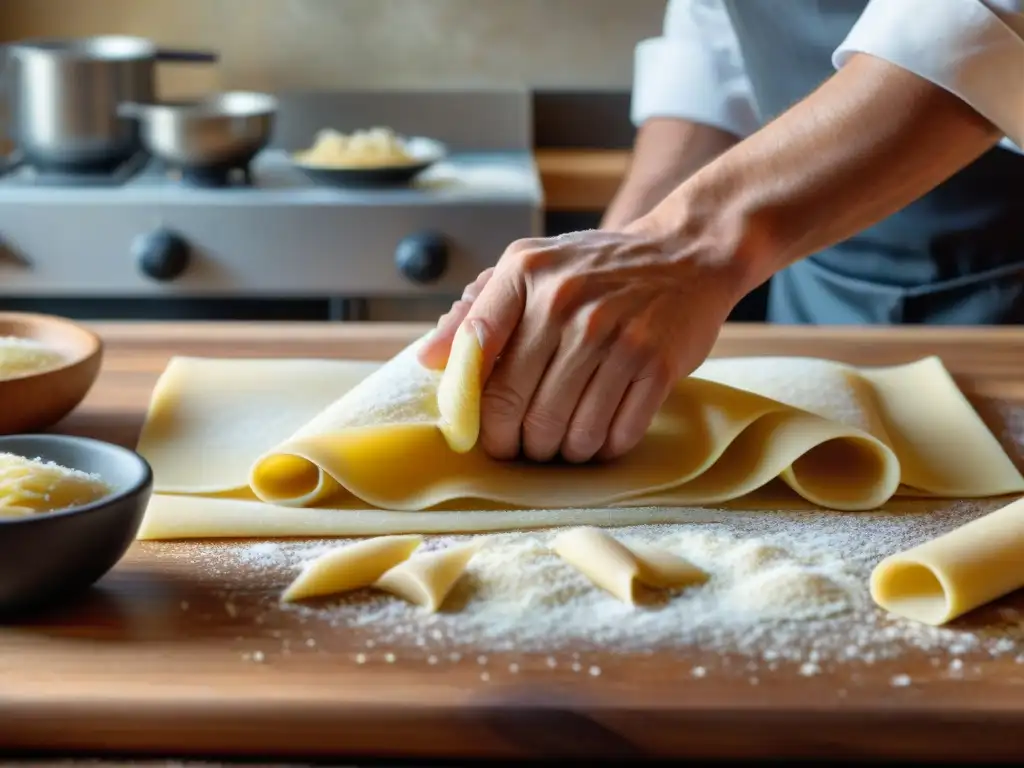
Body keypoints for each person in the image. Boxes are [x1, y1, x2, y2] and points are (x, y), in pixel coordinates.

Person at [418, 0, 1024, 466]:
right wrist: (604, 279)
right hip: (815, 298)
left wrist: (685, 247)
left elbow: (982, 24)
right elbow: (716, 54)